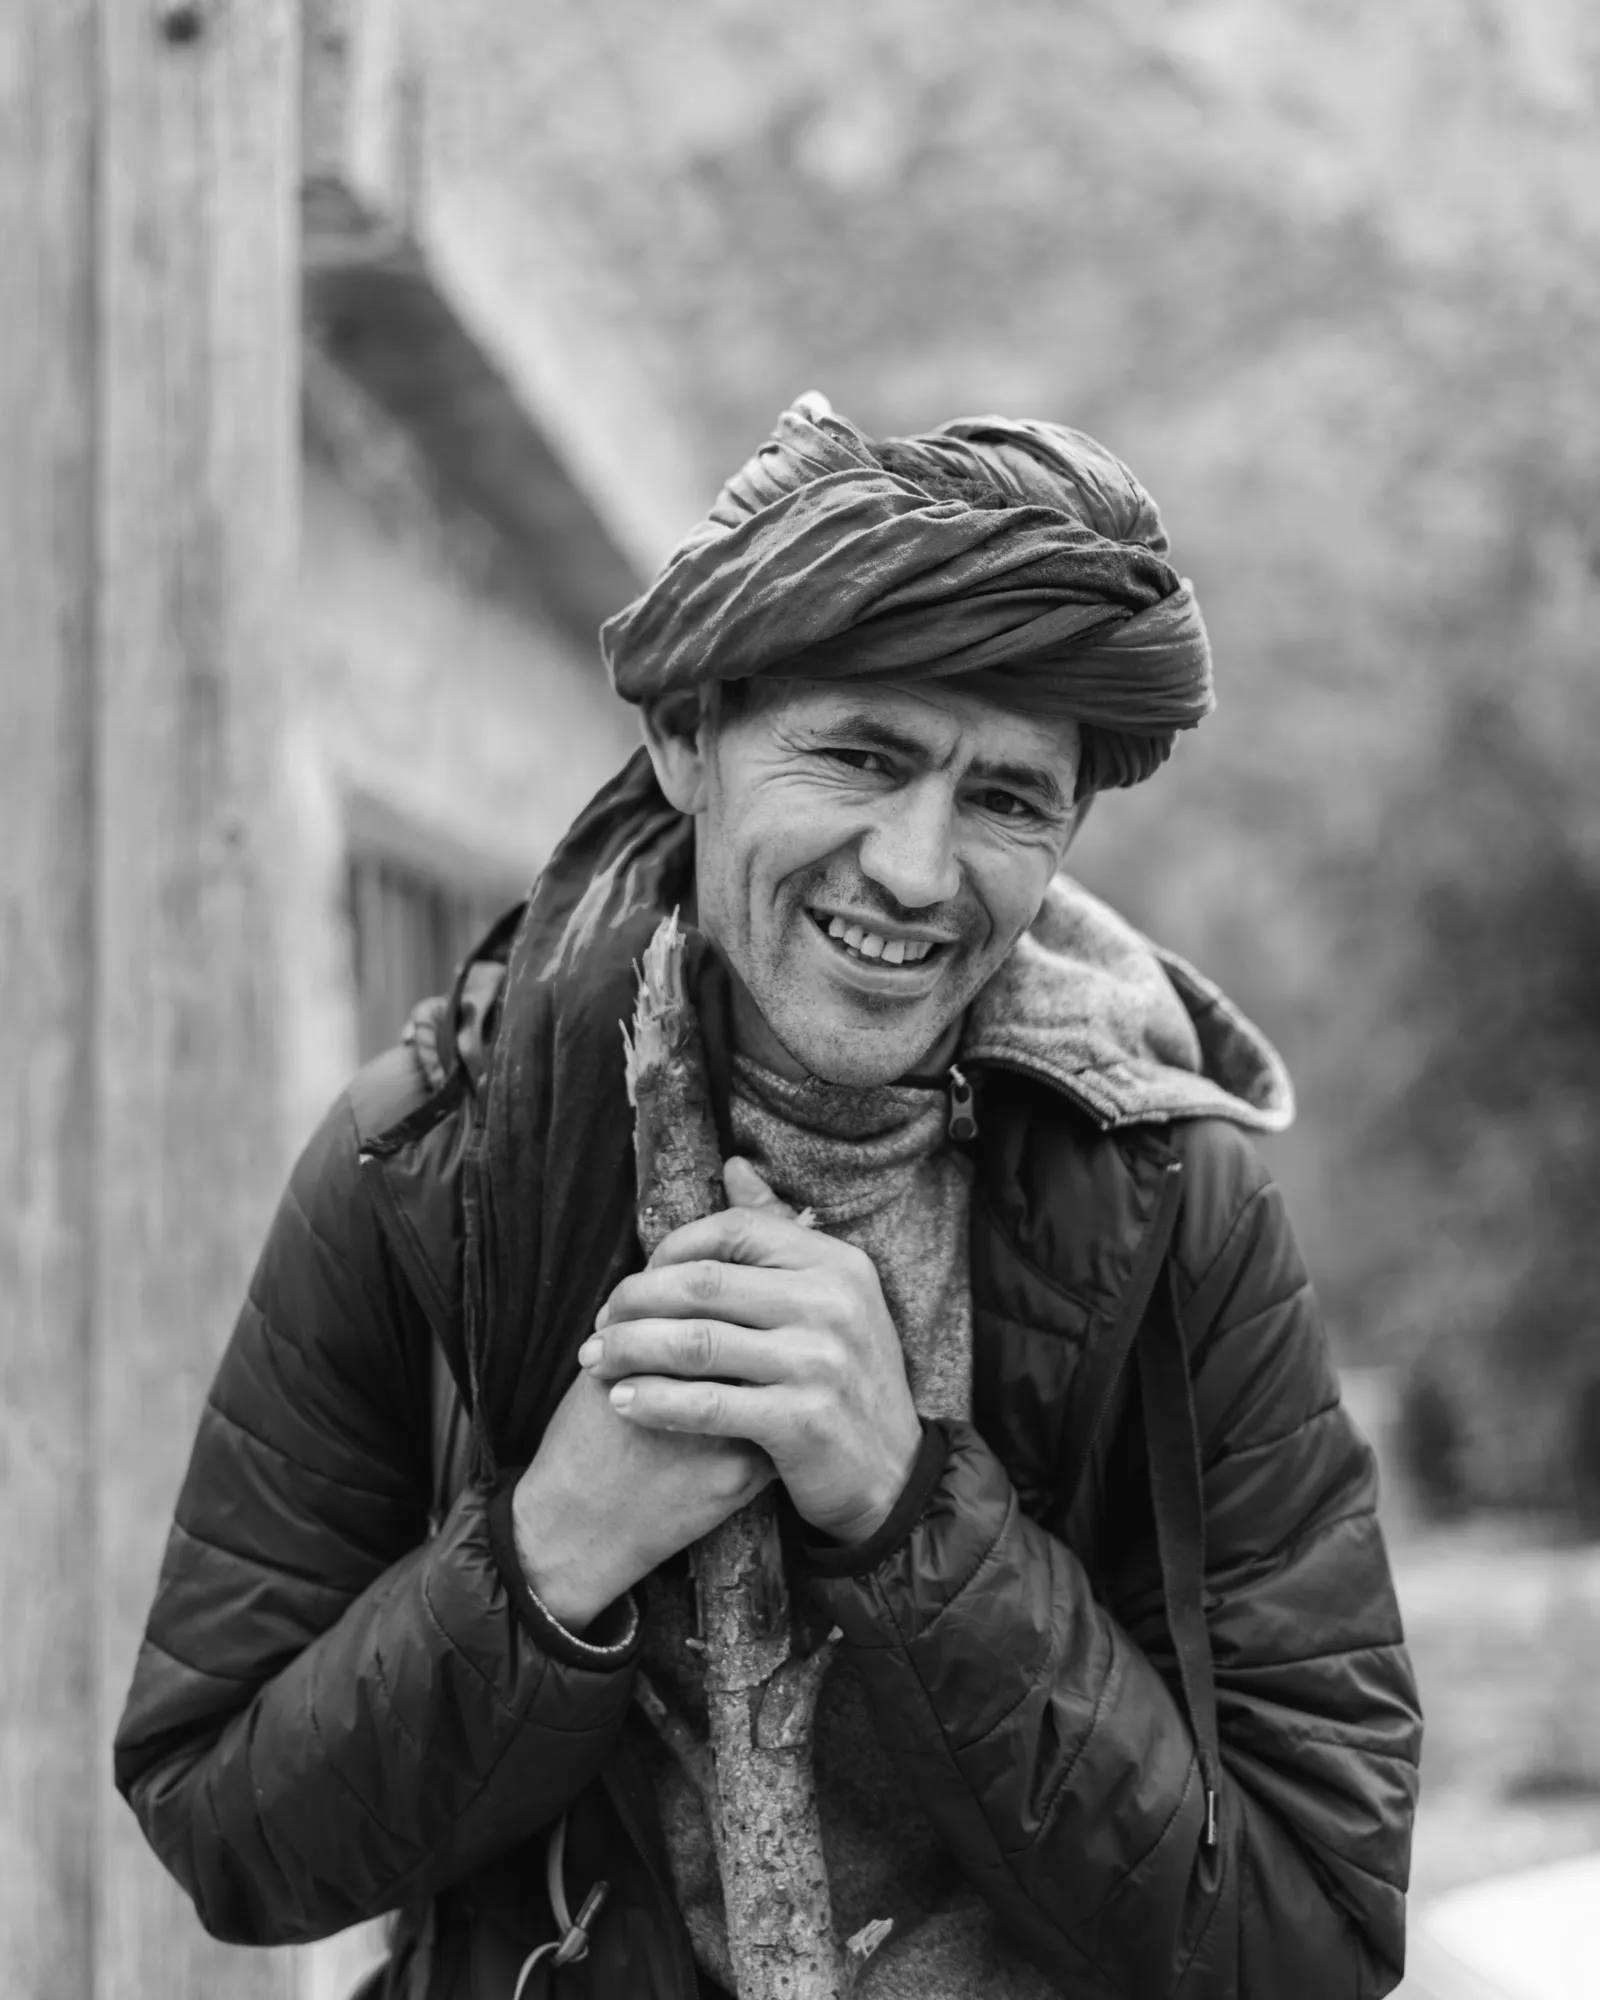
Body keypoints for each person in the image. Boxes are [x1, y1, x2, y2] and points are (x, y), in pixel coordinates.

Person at [116, 394, 1422, 1998]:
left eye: (1007, 797)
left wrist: (913, 1514)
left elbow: (1317, 1935)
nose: (920, 871)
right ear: (686, 742)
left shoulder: (1173, 1207)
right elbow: (226, 1828)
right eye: (861, 756)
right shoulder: (426, 1164)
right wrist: (549, 1556)